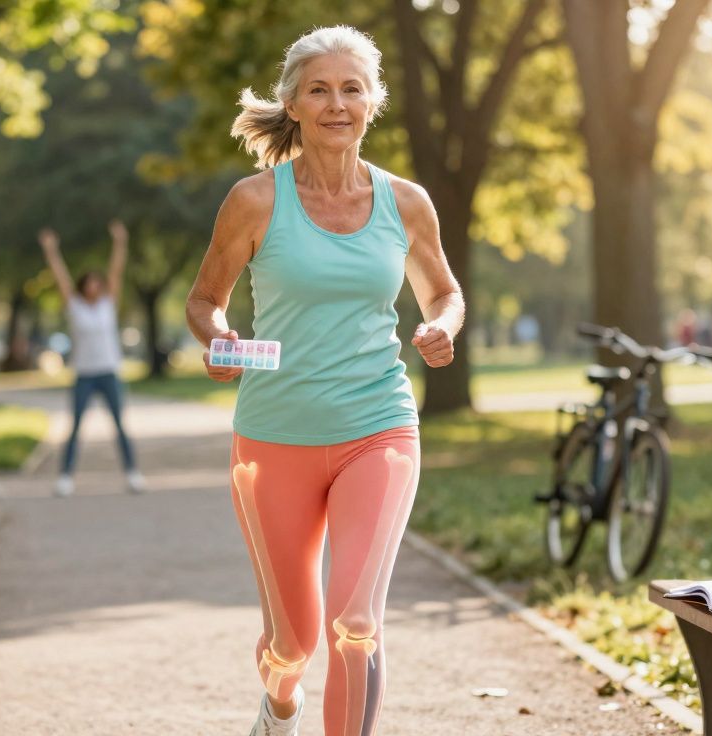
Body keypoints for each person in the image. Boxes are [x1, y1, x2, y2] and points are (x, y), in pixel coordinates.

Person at [184, 26, 464, 736]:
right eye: (320, 90)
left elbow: (444, 293)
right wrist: (218, 337)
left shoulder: (407, 203)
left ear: (373, 102)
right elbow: (204, 299)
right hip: (273, 439)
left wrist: (442, 327)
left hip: (380, 428)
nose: (337, 103)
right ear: (295, 105)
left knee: (357, 621)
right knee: (294, 643)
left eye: (351, 88)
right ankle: (279, 706)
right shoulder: (254, 201)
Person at [39, 221, 145, 497]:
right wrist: (51, 251)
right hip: (84, 373)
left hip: (109, 371)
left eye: (98, 283)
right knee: (74, 427)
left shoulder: (108, 305)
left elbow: (117, 270)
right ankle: (65, 477)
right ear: (82, 286)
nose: (94, 287)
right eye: (89, 283)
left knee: (120, 426)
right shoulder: (74, 306)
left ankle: (132, 473)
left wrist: (120, 242)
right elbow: (60, 276)